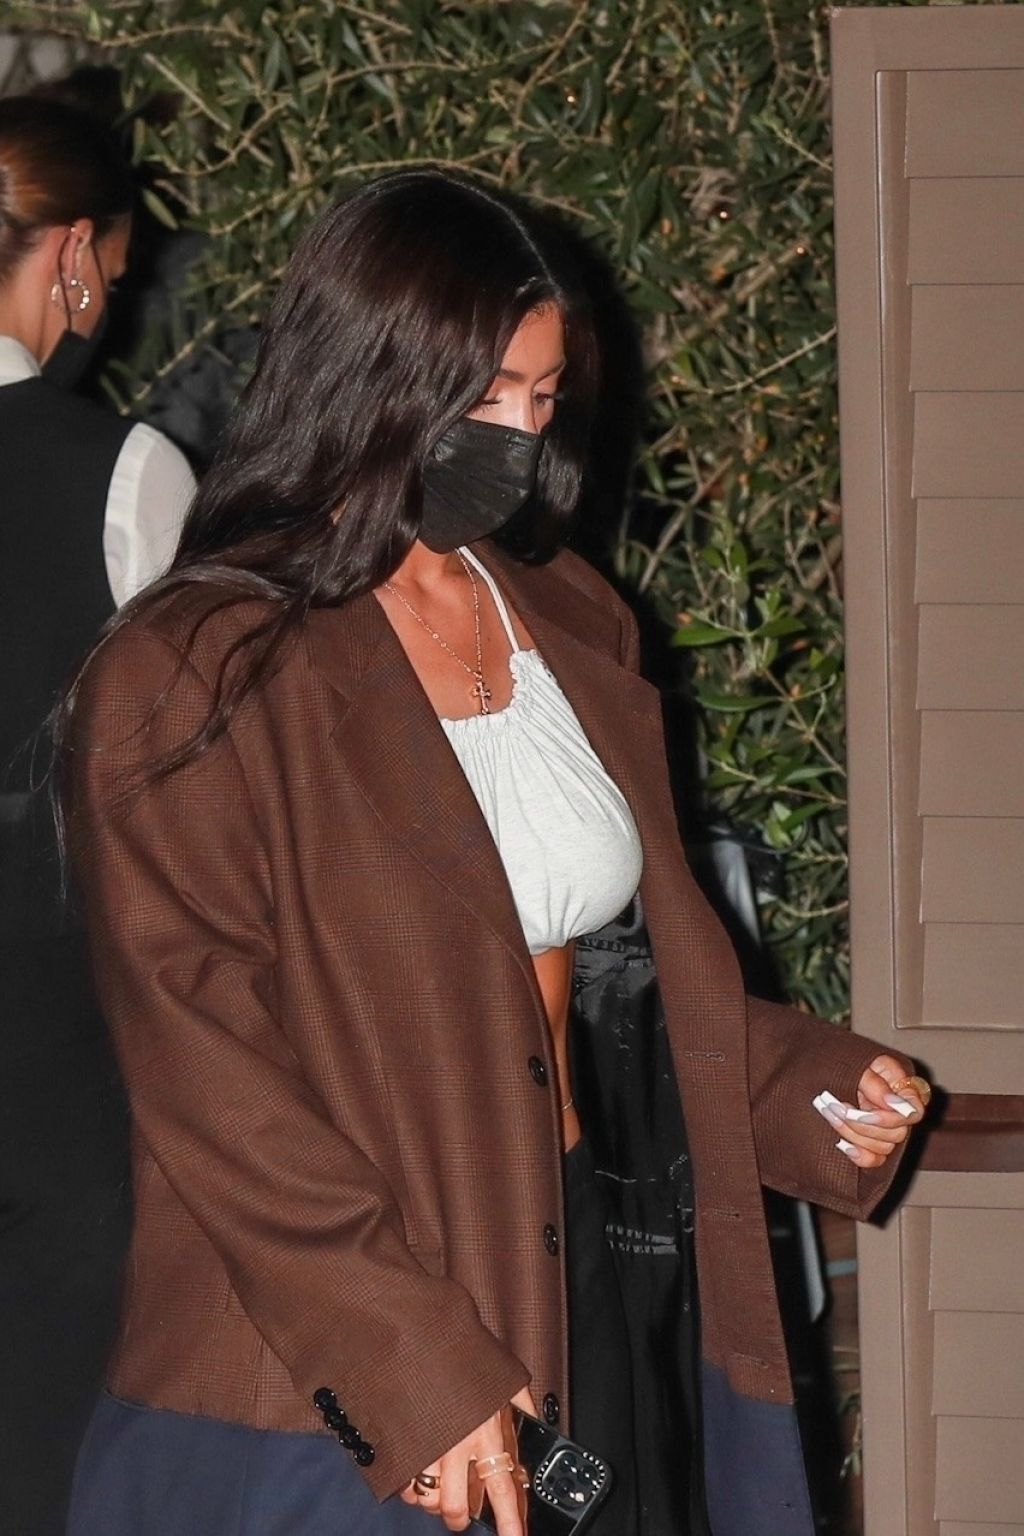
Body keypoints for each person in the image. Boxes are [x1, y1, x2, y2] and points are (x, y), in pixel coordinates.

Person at [62, 169, 927, 1536]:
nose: (522, 438)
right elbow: (208, 1070)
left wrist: (801, 1084)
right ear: (373, 377)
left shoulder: (570, 621)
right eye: (489, 399)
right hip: (328, 1333)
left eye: (544, 397)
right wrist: (405, 1363)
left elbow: (606, 970)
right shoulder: (196, 668)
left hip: (587, 1255)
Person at [0, 92, 195, 1536]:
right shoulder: (125, 474)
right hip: (56, 1045)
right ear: (71, 252)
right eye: (112, 276)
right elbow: (185, 801)